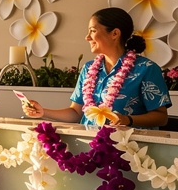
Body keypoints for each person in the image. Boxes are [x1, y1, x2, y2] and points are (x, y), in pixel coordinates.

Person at [22, 7, 171, 128]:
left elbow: (161, 117)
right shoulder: (88, 69)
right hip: (88, 148)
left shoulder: (146, 69)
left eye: (93, 31)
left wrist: (128, 120)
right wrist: (43, 112)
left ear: (114, 33)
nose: (87, 37)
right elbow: (76, 112)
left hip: (127, 151)